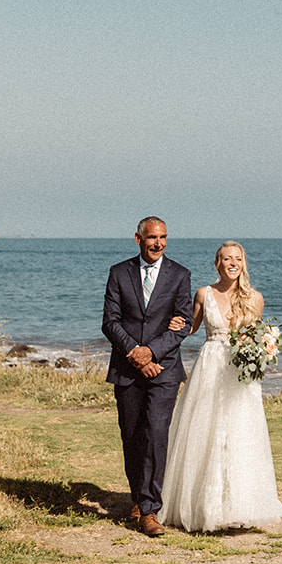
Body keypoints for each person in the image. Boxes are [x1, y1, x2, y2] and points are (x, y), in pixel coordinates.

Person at [158, 240, 282, 532]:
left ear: (244, 264)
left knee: (239, 431)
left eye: (238, 259)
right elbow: (188, 328)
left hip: (238, 371)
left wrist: (264, 348)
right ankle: (203, 506)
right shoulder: (204, 293)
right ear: (217, 263)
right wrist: (165, 327)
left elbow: (256, 335)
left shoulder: (254, 298)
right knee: (204, 431)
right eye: (227, 258)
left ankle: (238, 505)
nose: (233, 263)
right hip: (209, 367)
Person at [102, 216, 193, 536]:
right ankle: (138, 498)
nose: (159, 243)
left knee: (156, 434)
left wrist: (152, 352)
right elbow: (110, 322)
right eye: (152, 237)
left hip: (165, 370)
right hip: (127, 369)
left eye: (164, 237)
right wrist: (136, 355)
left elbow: (184, 323)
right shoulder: (118, 273)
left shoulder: (180, 275)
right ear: (138, 239)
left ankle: (150, 510)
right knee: (132, 437)